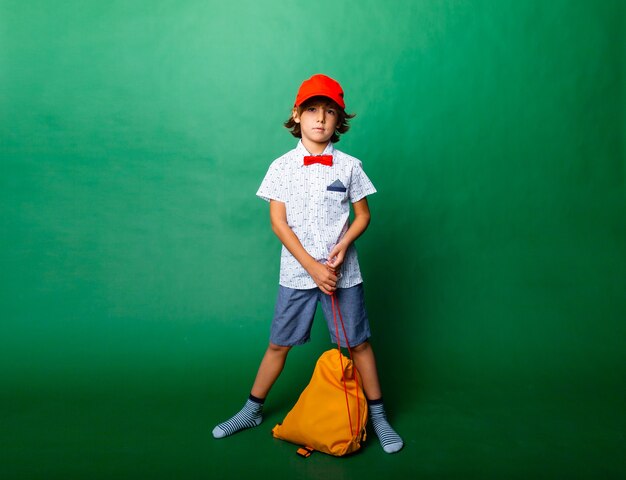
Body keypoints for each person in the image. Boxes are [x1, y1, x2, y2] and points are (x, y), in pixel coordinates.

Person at [212, 74, 403, 454]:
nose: (320, 118)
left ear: (339, 121)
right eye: (312, 110)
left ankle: (379, 417)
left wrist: (344, 245)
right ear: (296, 115)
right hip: (297, 273)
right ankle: (252, 409)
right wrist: (312, 267)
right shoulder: (281, 167)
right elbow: (278, 224)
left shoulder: (349, 166)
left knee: (359, 345)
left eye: (329, 112)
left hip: (342, 274)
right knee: (278, 345)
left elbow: (362, 215)